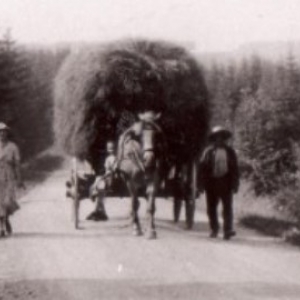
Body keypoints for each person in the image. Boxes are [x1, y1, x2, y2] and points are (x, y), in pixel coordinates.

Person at [199, 126, 239, 240]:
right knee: (211, 208)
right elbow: (202, 168)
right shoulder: (208, 151)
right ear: (214, 139)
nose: (220, 140)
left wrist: (235, 184)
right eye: (217, 137)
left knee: (227, 207)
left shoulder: (230, 152)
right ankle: (214, 228)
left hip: (226, 183)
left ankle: (227, 230)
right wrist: (201, 183)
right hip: (211, 183)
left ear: (225, 139)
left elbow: (235, 169)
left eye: (222, 137)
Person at [0, 122, 24, 237]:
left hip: (9, 176)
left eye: (4, 132)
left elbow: (17, 164)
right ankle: (2, 224)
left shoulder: (13, 147)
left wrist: (19, 179)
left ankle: (6, 219)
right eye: (0, 132)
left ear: (7, 133)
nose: (1, 134)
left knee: (7, 201)